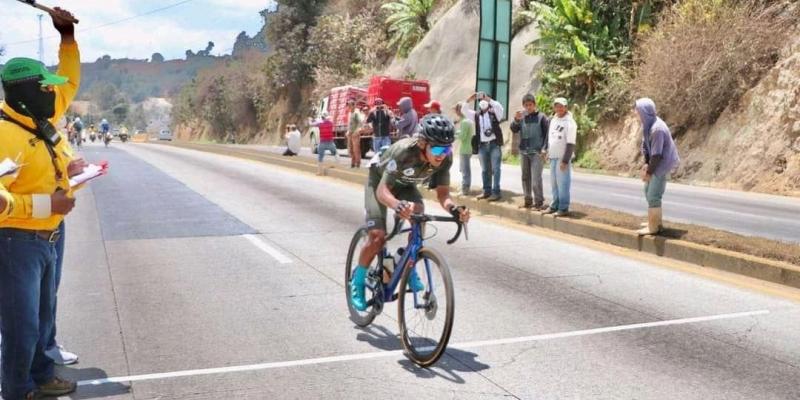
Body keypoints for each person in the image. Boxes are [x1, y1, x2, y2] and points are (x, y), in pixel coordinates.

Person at [0, 7, 81, 399]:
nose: (54, 93)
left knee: (43, 319)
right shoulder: (5, 135)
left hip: (49, 237)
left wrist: (67, 38)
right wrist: (48, 206)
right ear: (25, 92)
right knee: (22, 325)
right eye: (45, 87)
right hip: (16, 242)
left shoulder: (38, 118)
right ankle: (17, 389)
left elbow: (70, 82)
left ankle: (43, 375)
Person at [350, 114, 471, 311]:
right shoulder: (405, 152)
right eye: (437, 149)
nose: (442, 154)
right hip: (380, 183)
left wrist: (455, 209)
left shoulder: (444, 159)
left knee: (419, 213)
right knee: (378, 237)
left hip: (406, 185)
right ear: (423, 144)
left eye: (447, 148)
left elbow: (443, 194)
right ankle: (358, 280)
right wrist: (397, 205)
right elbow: (382, 191)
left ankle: (408, 261)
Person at [635, 98, 680, 235]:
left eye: (638, 111)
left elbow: (657, 155)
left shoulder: (657, 129)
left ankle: (653, 227)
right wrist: (646, 165)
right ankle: (654, 221)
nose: (635, 113)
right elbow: (646, 147)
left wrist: (649, 172)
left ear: (645, 112)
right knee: (647, 191)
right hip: (655, 162)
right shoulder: (647, 125)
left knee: (654, 195)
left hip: (662, 163)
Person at [460, 92, 504, 202]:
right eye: (480, 100)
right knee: (485, 170)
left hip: (494, 144)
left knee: (496, 169)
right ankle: (486, 191)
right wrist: (470, 99)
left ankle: (496, 192)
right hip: (482, 146)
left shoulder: (495, 113)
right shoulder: (476, 115)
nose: (482, 101)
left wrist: (488, 98)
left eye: (484, 99)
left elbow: (500, 108)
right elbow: (464, 110)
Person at [511, 94, 550, 210]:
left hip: (537, 153)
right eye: (526, 105)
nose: (528, 107)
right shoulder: (521, 117)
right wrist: (516, 120)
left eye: (530, 105)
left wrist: (544, 149)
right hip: (524, 152)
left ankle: (539, 202)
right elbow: (514, 129)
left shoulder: (542, 117)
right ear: (523, 106)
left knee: (535, 179)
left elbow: (547, 135)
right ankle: (528, 201)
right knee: (525, 177)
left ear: (534, 105)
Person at [543, 98, 577, 217]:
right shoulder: (553, 120)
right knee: (554, 183)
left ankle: (563, 207)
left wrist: (565, 161)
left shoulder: (570, 123)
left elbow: (570, 143)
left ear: (566, 107)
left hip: (562, 158)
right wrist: (547, 150)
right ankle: (554, 205)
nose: (559, 108)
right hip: (553, 156)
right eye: (557, 106)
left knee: (563, 184)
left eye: (561, 106)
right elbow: (550, 137)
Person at [454, 102, 474, 196]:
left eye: (457, 110)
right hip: (467, 148)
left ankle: (465, 189)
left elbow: (463, 136)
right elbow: (462, 133)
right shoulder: (467, 121)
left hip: (465, 148)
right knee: (463, 168)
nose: (456, 112)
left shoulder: (465, 122)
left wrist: (454, 135)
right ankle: (464, 186)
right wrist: (457, 132)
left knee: (465, 170)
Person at [345, 100, 365, 168]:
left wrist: (356, 131)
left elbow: (360, 123)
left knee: (356, 149)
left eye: (350, 105)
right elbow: (349, 124)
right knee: (350, 150)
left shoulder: (356, 113)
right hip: (350, 133)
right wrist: (348, 131)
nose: (348, 107)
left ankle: (357, 164)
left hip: (355, 134)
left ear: (354, 105)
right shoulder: (350, 113)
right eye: (348, 105)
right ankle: (352, 163)